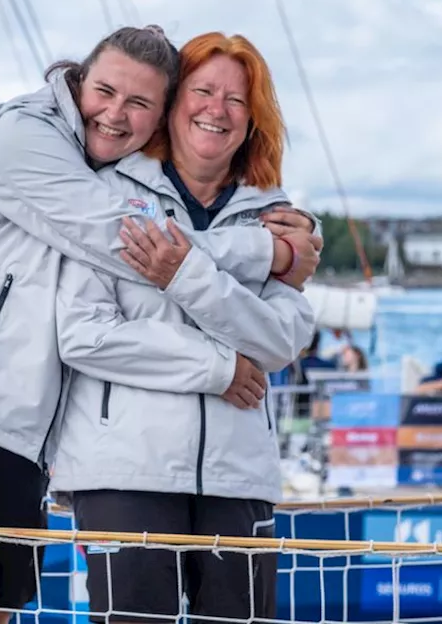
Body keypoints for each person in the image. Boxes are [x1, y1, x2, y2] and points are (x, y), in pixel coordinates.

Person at [0, 25, 321, 624]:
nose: (116, 114)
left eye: (139, 103)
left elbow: (280, 331)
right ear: (78, 80)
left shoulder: (128, 181)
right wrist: (267, 255)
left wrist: (279, 239)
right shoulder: (28, 138)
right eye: (105, 91)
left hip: (18, 435)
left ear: (159, 117)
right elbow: (123, 249)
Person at [49, 31, 315, 623]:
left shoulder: (276, 221)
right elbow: (84, 334)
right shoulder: (107, 197)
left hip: (238, 474)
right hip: (124, 469)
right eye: (202, 90)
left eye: (237, 100)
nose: (216, 110)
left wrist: (184, 274)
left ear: (253, 120)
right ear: (173, 103)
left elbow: (276, 341)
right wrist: (217, 368)